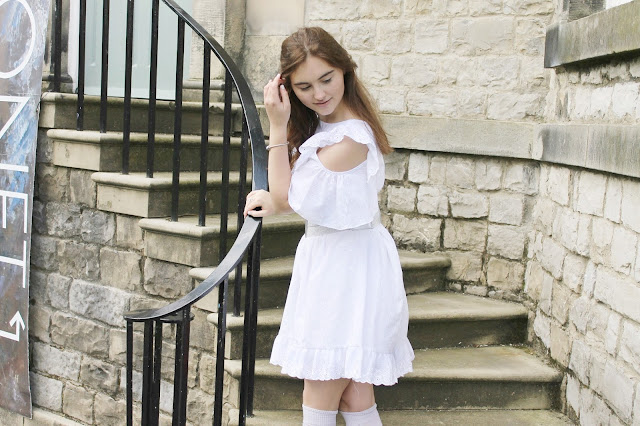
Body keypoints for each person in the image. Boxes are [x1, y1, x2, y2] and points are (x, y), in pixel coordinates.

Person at [243, 27, 414, 426]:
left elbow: (287, 197)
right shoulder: (326, 127)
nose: (318, 94)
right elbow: (292, 197)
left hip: (346, 267)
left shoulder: (352, 137)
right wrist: (277, 197)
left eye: (326, 79)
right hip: (339, 259)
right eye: (304, 86)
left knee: (320, 389)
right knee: (354, 396)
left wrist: (277, 125)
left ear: (344, 71)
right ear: (288, 88)